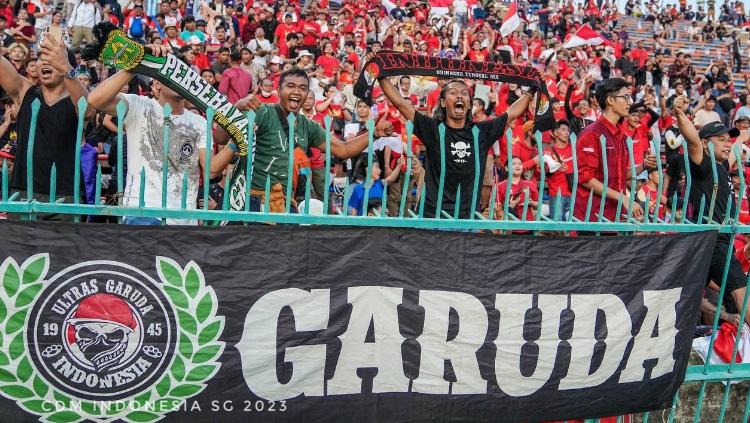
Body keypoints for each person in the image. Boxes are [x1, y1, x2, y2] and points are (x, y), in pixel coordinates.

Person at [87, 45, 235, 225]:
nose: (177, 78)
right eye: (170, 72)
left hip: (183, 219)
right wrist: (137, 64)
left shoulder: (199, 122)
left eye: (182, 74)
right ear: (157, 83)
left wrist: (236, 143)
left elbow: (211, 170)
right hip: (143, 213)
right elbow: (95, 100)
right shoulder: (140, 106)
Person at [234, 68, 394, 212]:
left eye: (303, 88)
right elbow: (221, 136)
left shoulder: (308, 126)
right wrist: (237, 107)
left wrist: (374, 133)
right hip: (253, 201)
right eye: (290, 86)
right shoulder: (264, 112)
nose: (297, 92)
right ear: (278, 90)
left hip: (285, 204)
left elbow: (343, 150)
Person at [378, 71, 534, 219]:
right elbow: (400, 103)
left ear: (469, 104)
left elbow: (512, 113)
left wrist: (533, 88)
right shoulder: (432, 129)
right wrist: (380, 74)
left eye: (464, 93)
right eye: (453, 92)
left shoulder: (481, 131)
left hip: (466, 218)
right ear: (443, 103)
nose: (459, 95)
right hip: (432, 215)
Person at [672, 95, 750, 327]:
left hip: (716, 237)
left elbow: (739, 141)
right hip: (713, 237)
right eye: (721, 139)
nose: (728, 144)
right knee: (741, 292)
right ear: (707, 143)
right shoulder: (704, 163)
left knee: (691, 292)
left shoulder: (722, 164)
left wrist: (742, 134)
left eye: (729, 140)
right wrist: (679, 114)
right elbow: (693, 140)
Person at [4, 34, 94, 218]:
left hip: (66, 195)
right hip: (23, 192)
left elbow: (89, 111)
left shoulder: (76, 100)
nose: (44, 63)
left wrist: (66, 68)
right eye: (40, 59)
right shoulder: (24, 92)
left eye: (52, 60)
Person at [574, 78, 657, 224]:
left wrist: (643, 166)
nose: (629, 102)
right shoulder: (592, 134)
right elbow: (586, 179)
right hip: (592, 218)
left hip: (615, 216)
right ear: (611, 101)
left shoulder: (619, 135)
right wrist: (622, 197)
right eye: (625, 97)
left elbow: (620, 175)